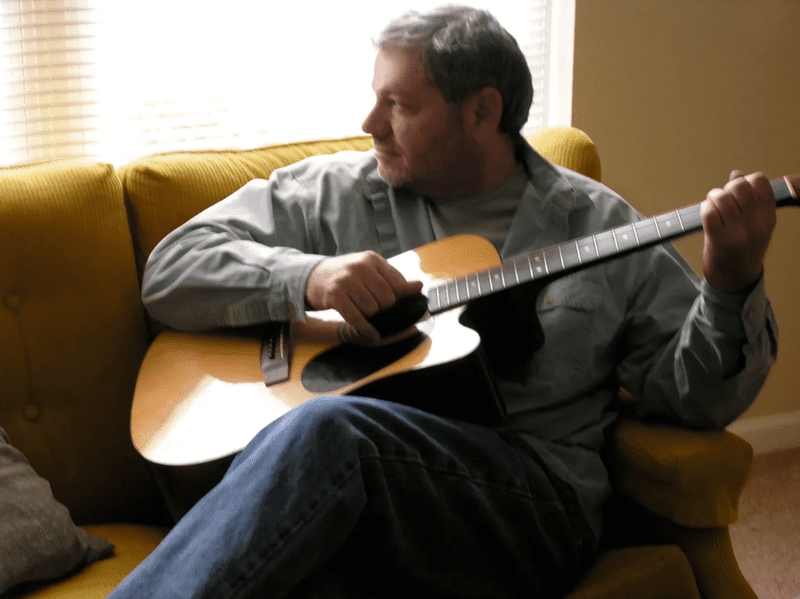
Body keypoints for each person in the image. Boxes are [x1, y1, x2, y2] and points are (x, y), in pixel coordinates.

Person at [110, 5, 778, 598]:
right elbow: (171, 269)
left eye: (398, 104)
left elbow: (694, 400)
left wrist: (731, 283)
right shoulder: (335, 192)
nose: (369, 122)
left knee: (331, 433)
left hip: (529, 506)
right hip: (369, 505)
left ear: (482, 111)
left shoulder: (597, 224)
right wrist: (309, 277)